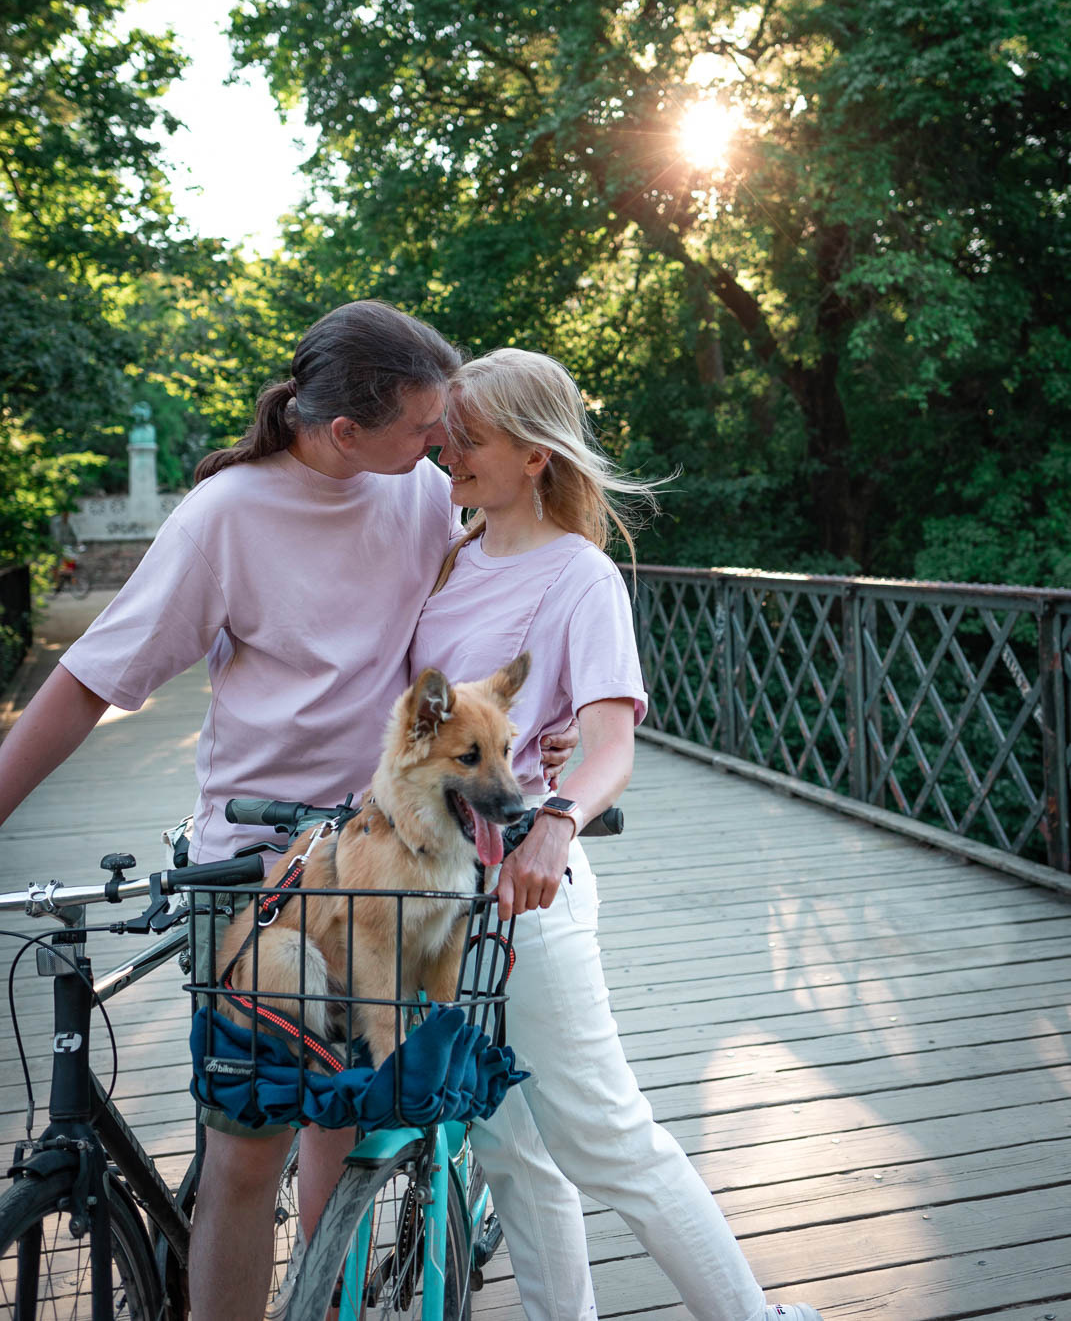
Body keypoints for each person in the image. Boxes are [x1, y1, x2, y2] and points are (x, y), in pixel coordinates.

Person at [0, 301, 570, 1321]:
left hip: (382, 859)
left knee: (340, 1130)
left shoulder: (420, 499)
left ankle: (330, 1300)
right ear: (343, 431)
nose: (445, 447)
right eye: (425, 430)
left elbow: (500, 601)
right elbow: (92, 677)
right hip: (258, 869)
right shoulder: (226, 519)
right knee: (245, 1153)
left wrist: (552, 723)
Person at [408, 347, 823, 1321]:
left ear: (534, 456)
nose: (448, 450)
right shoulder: (448, 555)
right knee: (509, 1146)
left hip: (526, 893)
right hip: (432, 886)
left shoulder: (580, 578)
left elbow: (609, 749)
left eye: (471, 436)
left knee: (604, 1137)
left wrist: (557, 821)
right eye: (448, 431)